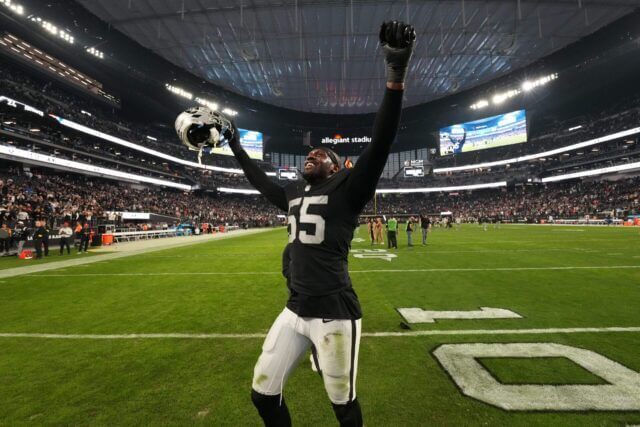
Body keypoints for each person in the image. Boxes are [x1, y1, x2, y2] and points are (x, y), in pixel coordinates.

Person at [226, 20, 415, 427]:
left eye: (320, 153)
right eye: (309, 154)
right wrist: (236, 146)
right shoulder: (294, 193)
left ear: (335, 167)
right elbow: (260, 182)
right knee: (262, 393)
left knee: (342, 406)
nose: (312, 155)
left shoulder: (348, 187)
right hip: (294, 309)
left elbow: (381, 142)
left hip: (333, 311)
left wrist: (395, 75)